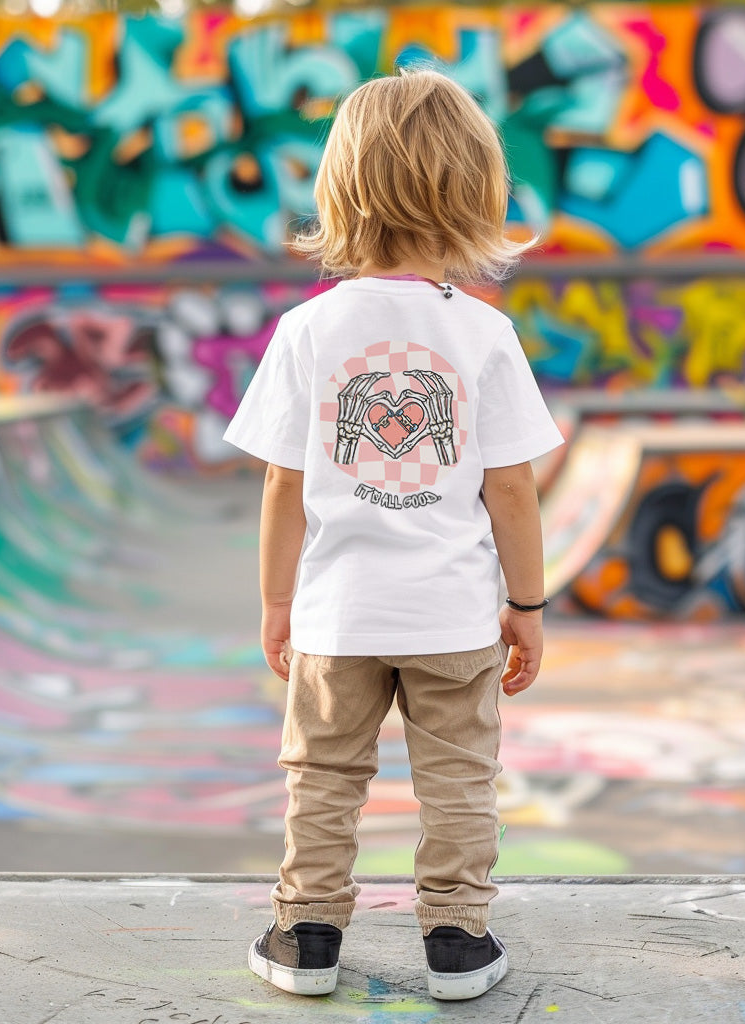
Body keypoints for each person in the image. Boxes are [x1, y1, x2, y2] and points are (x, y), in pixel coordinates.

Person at [223, 67, 563, 1002]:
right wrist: (526, 605)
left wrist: (277, 604)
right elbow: (514, 492)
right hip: (453, 615)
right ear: (472, 193)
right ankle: (458, 944)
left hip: (338, 617)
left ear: (342, 190)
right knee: (459, 779)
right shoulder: (484, 336)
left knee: (324, 776)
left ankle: (307, 940)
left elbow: (284, 484)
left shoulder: (306, 330)